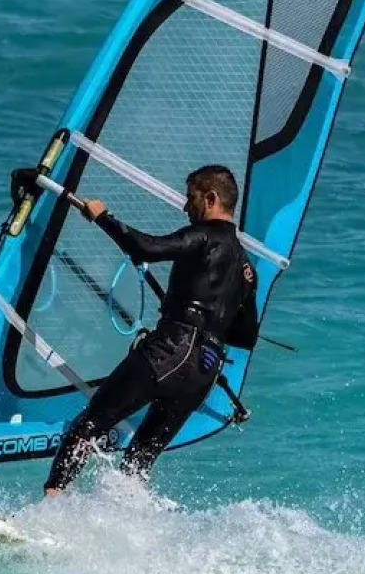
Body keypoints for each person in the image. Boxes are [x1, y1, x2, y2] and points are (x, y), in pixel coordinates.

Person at [43, 164, 260, 495]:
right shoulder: (247, 269)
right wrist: (208, 316)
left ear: (211, 198)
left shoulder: (205, 236)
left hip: (170, 350)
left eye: (191, 199)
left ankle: (51, 503)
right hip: (205, 370)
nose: (186, 208)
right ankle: (127, 527)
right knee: (139, 460)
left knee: (91, 423)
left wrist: (104, 217)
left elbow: (147, 248)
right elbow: (246, 336)